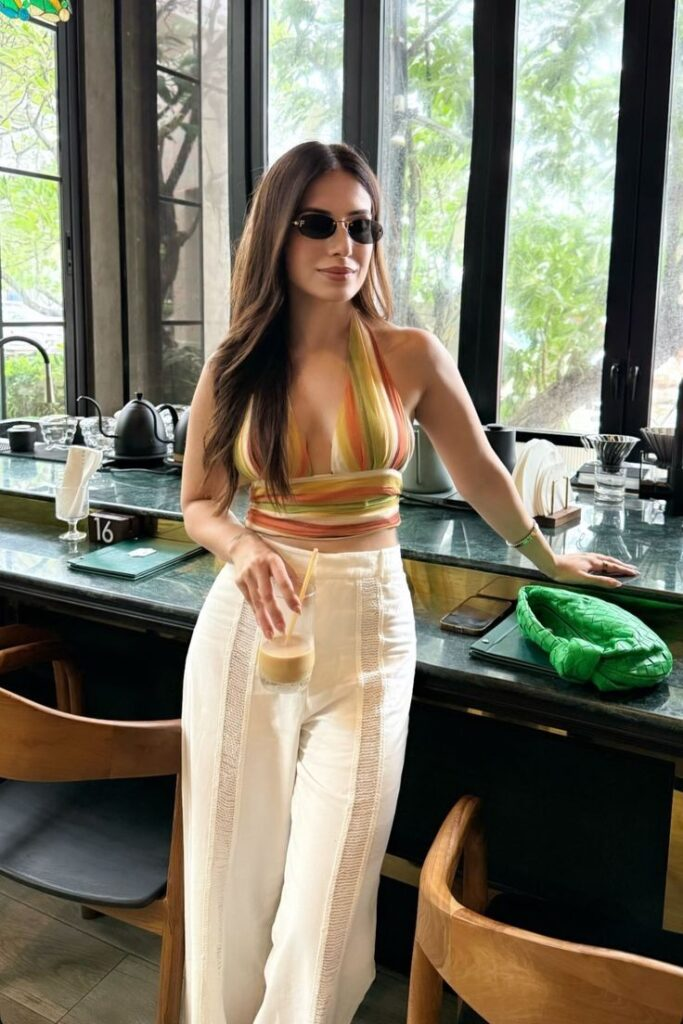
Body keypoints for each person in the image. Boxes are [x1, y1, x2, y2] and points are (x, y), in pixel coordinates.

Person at [179, 141, 637, 1024]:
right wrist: (240, 547)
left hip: (370, 637)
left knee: (329, 898)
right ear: (275, 233)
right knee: (226, 877)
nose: (343, 245)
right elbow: (200, 503)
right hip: (249, 628)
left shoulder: (409, 355)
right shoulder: (232, 365)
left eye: (361, 227)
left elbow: (479, 472)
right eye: (317, 223)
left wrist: (547, 558)